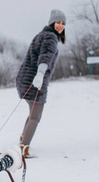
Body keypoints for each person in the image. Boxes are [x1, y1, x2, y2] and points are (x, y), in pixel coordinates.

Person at [15, 9, 66, 158]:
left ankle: (22, 139)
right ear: (52, 22)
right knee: (36, 117)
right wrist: (40, 74)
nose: (60, 26)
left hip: (25, 79)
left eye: (63, 23)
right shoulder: (50, 37)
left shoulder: (43, 35)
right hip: (34, 80)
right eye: (58, 22)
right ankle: (23, 149)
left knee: (32, 114)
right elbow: (45, 56)